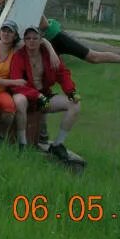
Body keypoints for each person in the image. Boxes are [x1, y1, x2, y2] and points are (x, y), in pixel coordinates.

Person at [10, 25, 81, 159]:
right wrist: (37, 95)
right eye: (28, 38)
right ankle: (22, 143)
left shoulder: (49, 55)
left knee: (75, 105)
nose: (31, 41)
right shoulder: (19, 56)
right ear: (24, 40)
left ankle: (58, 144)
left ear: (41, 40)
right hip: (27, 95)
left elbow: (62, 74)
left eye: (35, 38)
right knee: (19, 101)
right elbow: (15, 84)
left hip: (45, 96)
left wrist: (71, 91)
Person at [40, 15, 120, 84]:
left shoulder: (27, 1)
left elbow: (44, 24)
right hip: (39, 42)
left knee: (93, 57)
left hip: (55, 38)